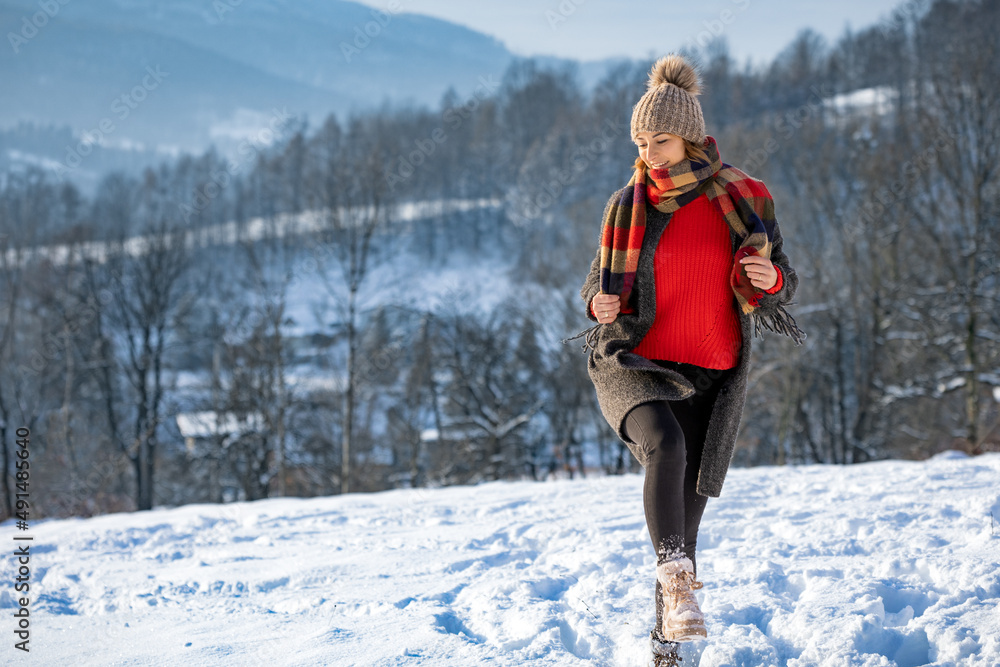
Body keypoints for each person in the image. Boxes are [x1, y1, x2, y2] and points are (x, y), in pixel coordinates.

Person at [562, 53, 805, 664]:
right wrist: (599, 305)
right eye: (641, 140)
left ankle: (665, 649)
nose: (650, 152)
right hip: (636, 365)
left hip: (711, 373)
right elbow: (594, 286)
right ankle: (674, 578)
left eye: (661, 139)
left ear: (691, 135)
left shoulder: (742, 201)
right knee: (664, 451)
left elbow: (784, 281)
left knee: (683, 527)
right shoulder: (628, 206)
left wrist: (768, 277)